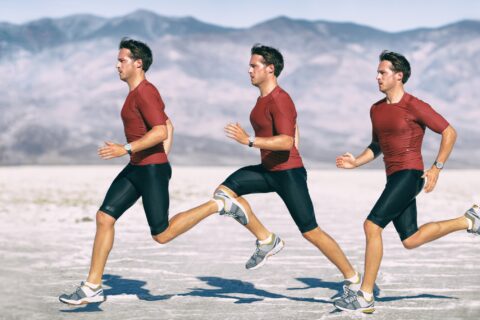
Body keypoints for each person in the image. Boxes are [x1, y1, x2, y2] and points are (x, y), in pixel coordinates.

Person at [334, 50, 480, 313]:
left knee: (371, 226)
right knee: (411, 239)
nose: (377, 76)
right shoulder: (376, 109)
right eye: (377, 72)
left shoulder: (414, 105)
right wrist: (355, 161)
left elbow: (449, 132)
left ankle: (365, 296)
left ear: (398, 76)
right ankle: (469, 220)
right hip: (394, 177)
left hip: (410, 174)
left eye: (383, 72)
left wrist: (437, 168)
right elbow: (377, 145)